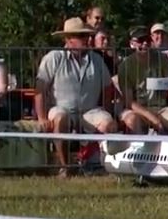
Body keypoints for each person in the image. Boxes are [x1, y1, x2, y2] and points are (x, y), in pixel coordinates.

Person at [35, 17, 118, 175]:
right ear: (68, 39)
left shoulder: (96, 60)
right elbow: (40, 89)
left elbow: (108, 88)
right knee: (60, 118)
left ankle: (94, 164)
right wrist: (41, 117)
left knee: (108, 123)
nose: (87, 40)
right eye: (81, 36)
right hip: (61, 108)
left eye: (87, 36)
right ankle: (65, 167)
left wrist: (107, 110)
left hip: (89, 111)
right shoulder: (54, 58)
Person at [117, 26, 168, 135]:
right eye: (140, 41)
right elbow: (129, 101)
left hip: (161, 109)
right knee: (131, 120)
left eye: (147, 40)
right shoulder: (125, 66)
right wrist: (152, 118)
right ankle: (140, 150)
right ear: (132, 43)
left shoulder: (163, 60)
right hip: (138, 110)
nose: (145, 44)